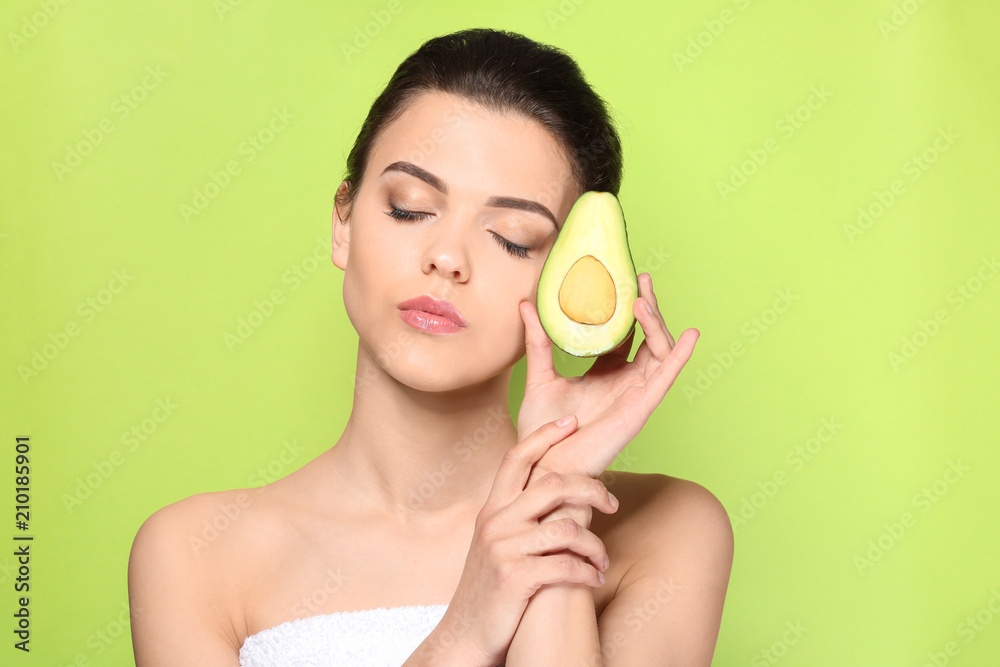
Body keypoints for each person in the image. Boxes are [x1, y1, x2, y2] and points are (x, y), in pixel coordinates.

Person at [128, 27, 733, 666]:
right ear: (343, 220)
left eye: (512, 237)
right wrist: (464, 630)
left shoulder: (670, 531)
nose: (446, 258)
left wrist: (552, 491)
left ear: (568, 278)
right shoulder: (194, 554)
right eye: (411, 208)